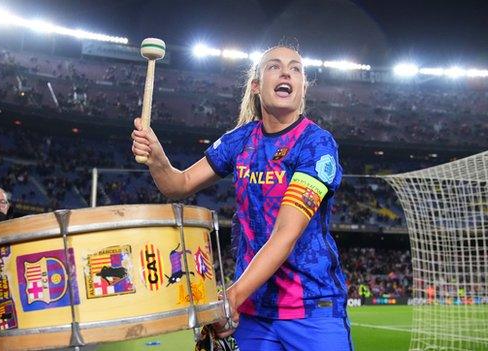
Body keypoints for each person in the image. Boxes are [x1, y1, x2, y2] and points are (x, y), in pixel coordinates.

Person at [131, 45, 351, 350]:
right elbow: (179, 184)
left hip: (311, 308)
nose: (286, 72)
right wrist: (157, 158)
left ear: (302, 88)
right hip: (253, 313)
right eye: (274, 66)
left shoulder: (316, 144)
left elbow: (286, 233)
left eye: (295, 68)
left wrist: (232, 295)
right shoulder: (240, 140)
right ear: (257, 86)